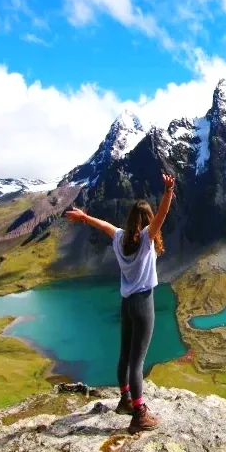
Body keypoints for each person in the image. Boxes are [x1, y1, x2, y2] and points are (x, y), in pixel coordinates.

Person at [66, 173, 175, 434]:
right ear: (147, 222)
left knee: (125, 355)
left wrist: (84, 218)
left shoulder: (118, 238)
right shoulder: (148, 239)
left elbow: (104, 225)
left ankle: (125, 400)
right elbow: (162, 214)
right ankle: (139, 414)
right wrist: (169, 191)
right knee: (138, 362)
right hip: (143, 303)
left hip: (126, 304)